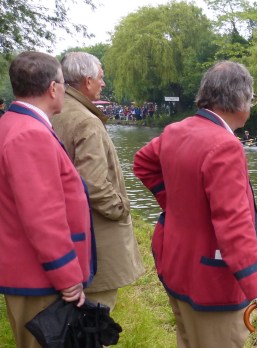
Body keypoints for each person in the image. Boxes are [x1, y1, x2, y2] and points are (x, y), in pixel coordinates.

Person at [134, 61, 257, 347]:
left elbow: (143, 162)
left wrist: (177, 205)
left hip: (176, 265)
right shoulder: (225, 146)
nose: (251, 106)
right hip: (210, 283)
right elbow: (234, 226)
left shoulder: (176, 130)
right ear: (240, 99)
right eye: (252, 99)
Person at [0, 51, 94, 348]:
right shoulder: (30, 134)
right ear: (53, 88)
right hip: (38, 278)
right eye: (64, 84)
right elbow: (42, 216)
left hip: (29, 271)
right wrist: (67, 276)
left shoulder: (12, 123)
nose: (65, 91)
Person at [51, 52, 144, 310]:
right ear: (87, 80)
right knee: (95, 314)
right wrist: (120, 207)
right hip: (95, 237)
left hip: (67, 231)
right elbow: (92, 183)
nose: (104, 84)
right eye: (101, 78)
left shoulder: (57, 110)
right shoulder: (86, 121)